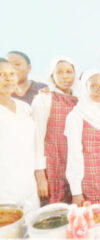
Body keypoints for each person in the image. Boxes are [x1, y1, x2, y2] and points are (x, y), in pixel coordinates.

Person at [66, 70, 100, 206]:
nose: (99, 90)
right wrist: (76, 191)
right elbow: (74, 154)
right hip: (89, 178)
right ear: (84, 88)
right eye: (93, 86)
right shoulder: (76, 115)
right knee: (92, 219)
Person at [33, 57, 78, 204]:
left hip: (74, 166)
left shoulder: (79, 100)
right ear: (52, 76)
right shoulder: (44, 99)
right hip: (53, 166)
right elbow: (37, 137)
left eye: (69, 72)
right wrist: (40, 175)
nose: (65, 76)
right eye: (59, 72)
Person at [0, 59, 39, 207]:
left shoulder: (24, 107)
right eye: (1, 74)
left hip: (28, 185)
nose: (8, 78)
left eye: (11, 74)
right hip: (4, 189)